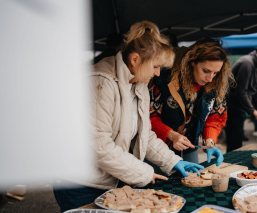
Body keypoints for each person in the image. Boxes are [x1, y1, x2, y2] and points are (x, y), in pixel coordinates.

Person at [53, 21, 204, 212]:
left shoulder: (138, 84)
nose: (158, 73)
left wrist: (173, 161)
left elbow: (145, 134)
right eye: (155, 66)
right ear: (135, 60)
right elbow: (99, 145)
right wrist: (144, 172)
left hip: (105, 180)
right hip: (78, 183)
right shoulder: (101, 82)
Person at [148, 38, 234, 165]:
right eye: (206, 71)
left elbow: (214, 118)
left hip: (190, 147)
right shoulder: (164, 79)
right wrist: (171, 135)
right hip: (158, 147)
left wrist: (209, 140)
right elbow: (150, 117)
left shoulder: (216, 84)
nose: (210, 78)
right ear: (192, 62)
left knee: (192, 180)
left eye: (215, 73)